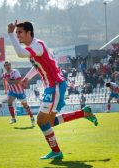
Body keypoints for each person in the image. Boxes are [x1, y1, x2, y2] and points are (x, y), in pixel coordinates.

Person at [7, 20, 98, 159]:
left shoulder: (36, 46)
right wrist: (27, 78)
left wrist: (10, 34)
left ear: (28, 32)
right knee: (48, 122)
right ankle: (83, 114)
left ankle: (56, 152)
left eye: (19, 32)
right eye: (16, 33)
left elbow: (19, 53)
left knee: (42, 121)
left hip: (54, 86)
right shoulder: (36, 45)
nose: (17, 35)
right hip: (54, 86)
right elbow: (38, 65)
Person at [2, 61, 35, 126]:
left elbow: (19, 81)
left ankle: (32, 117)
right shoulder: (4, 74)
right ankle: (13, 118)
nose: (7, 66)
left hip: (19, 91)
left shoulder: (15, 72)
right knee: (9, 103)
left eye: (8, 65)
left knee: (25, 106)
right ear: (4, 67)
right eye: (6, 65)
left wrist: (10, 81)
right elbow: (4, 82)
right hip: (11, 91)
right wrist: (5, 90)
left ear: (10, 65)